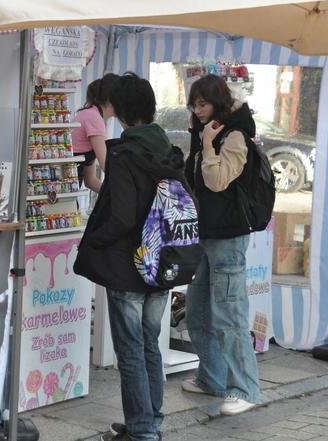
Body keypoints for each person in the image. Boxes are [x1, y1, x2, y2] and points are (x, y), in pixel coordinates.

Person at [74, 72, 187, 441]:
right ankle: (150, 420)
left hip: (128, 267)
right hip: (161, 264)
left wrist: (95, 241)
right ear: (151, 108)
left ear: (120, 113)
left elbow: (121, 216)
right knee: (149, 344)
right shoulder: (167, 150)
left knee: (131, 351)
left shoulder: (123, 153)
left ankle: (141, 431)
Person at [183, 73, 260, 416]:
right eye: (194, 104)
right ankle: (212, 377)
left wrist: (209, 145)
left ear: (218, 103)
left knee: (229, 315)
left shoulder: (234, 137)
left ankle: (244, 388)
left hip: (228, 237)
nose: (197, 110)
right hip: (205, 234)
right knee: (197, 312)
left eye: (203, 104)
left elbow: (216, 182)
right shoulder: (206, 133)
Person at [71, 73, 119, 192]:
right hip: (63, 189)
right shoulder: (94, 118)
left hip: (68, 188)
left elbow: (90, 181)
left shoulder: (91, 114)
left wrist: (110, 196)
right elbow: (106, 166)